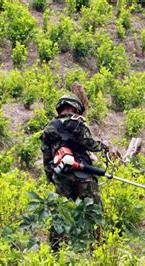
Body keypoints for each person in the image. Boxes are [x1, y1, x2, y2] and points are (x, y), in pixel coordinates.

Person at [41, 94, 108, 251]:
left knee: (61, 211)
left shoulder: (49, 127)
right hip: (83, 174)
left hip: (61, 176)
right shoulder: (78, 123)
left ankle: (56, 249)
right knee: (93, 209)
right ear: (74, 108)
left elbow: (46, 157)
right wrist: (103, 145)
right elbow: (89, 143)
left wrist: (51, 176)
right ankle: (95, 248)